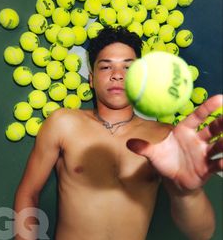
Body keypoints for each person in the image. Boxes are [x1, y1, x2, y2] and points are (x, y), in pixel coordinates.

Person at [14, 26, 223, 240]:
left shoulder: (164, 138)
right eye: (106, 67)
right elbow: (28, 193)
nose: (117, 75)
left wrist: (187, 193)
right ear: (91, 79)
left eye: (128, 68)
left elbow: (202, 232)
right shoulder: (64, 123)